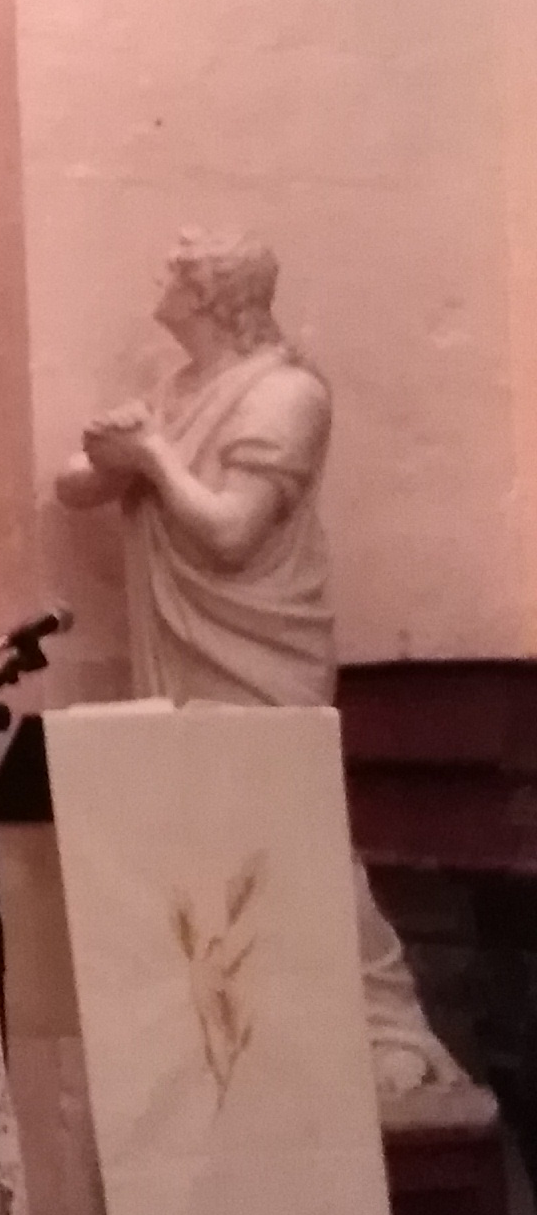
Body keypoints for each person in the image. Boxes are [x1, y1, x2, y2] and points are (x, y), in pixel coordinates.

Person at [58, 229, 470, 1103]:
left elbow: (231, 533)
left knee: (294, 832)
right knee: (208, 847)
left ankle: (383, 1021)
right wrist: (105, 461)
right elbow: (79, 485)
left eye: (176, 271)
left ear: (211, 294)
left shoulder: (288, 397)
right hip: (184, 656)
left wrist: (151, 457)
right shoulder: (178, 390)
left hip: (260, 652)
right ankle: (246, 1039)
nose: (161, 279)